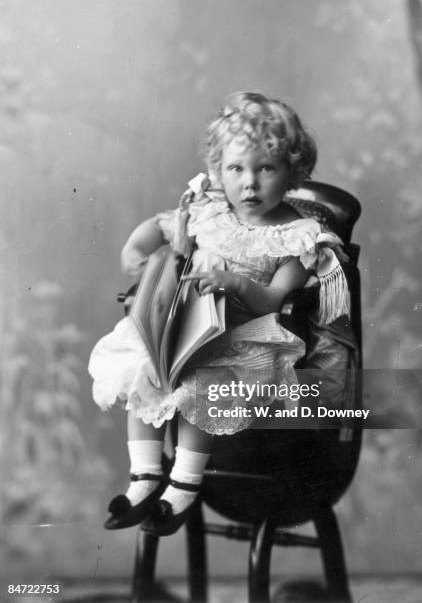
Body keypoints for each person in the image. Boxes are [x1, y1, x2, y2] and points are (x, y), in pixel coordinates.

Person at [88, 91, 351, 536]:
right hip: (188, 330)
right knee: (143, 365)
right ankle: (145, 476)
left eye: (265, 169)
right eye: (236, 169)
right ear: (218, 172)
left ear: (293, 173)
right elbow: (157, 229)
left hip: (243, 337)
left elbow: (273, 300)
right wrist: (136, 254)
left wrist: (237, 284)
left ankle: (184, 486)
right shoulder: (208, 212)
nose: (249, 183)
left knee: (200, 383)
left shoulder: (296, 236)